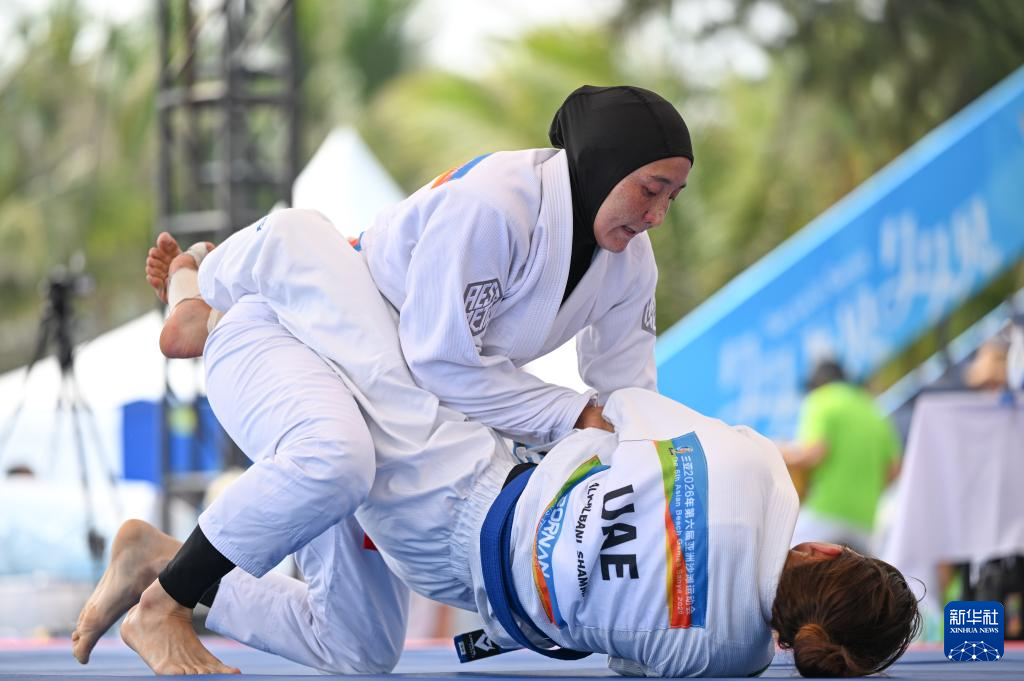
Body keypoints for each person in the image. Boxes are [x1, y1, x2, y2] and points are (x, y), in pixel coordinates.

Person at [75, 211, 919, 677]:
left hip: (467, 483)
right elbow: (629, 656)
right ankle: (163, 560)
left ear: (823, 549)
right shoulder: (730, 656)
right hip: (465, 572)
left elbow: (623, 408)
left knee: (311, 254)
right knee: (359, 649)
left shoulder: (759, 471)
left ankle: (199, 295)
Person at [81, 83, 692, 670]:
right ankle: (166, 604)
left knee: (358, 648)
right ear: (601, 163)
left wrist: (657, 479)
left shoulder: (631, 265)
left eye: (673, 197)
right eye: (651, 189)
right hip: (293, 338)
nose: (658, 215)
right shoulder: (495, 205)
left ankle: (157, 561)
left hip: (393, 400)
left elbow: (627, 398)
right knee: (335, 458)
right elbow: (440, 359)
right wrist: (570, 415)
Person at [780, 359, 902, 555]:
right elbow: (894, 468)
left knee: (785, 557)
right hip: (865, 520)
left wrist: (773, 451)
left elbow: (813, 453)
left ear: (819, 383)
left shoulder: (822, 399)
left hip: (825, 512)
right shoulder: (873, 410)